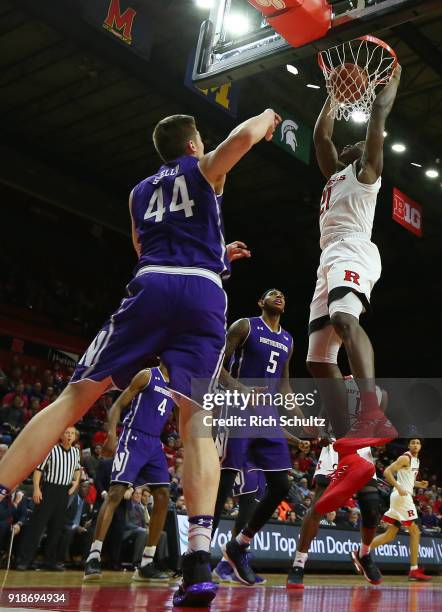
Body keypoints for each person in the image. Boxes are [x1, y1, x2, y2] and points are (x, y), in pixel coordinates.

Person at [0, 109, 281, 607]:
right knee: (197, 421)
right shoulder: (204, 169)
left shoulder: (138, 193)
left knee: (71, 399)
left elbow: (143, 247)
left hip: (152, 286)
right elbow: (242, 138)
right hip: (202, 296)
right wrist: (267, 116)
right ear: (193, 146)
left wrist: (216, 253)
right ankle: (198, 558)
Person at [306, 65, 403, 515]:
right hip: (328, 258)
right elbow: (321, 139)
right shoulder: (333, 175)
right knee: (317, 358)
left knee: (346, 320)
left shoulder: (367, 172)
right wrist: (333, 95)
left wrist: (390, 83)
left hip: (353, 250)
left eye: (360, 144)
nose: (353, 145)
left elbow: (379, 116)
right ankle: (350, 455)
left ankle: (370, 410)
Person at [214, 288, 299, 585]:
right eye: (272, 294)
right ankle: (198, 558)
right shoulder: (245, 325)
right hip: (238, 407)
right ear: (260, 302)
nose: (280, 296)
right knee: (224, 482)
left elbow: (285, 387)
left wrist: (302, 422)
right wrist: (241, 389)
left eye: (283, 295)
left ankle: (238, 546)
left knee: (280, 485)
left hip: (267, 415)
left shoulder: (288, 339)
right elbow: (217, 364)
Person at [287, 378, 386, 588]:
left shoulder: (380, 392)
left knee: (371, 506)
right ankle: (298, 564)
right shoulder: (340, 382)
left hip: (361, 449)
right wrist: (322, 435)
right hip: (336, 447)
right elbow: (324, 418)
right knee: (318, 506)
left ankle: (364, 554)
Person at [84, 364, 173, 582]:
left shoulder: (177, 385)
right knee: (116, 493)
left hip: (154, 444)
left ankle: (146, 562)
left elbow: (179, 418)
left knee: (163, 496)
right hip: (133, 437)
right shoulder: (146, 374)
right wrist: (112, 435)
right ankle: (94, 556)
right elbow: (117, 405)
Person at [16, 427, 81, 571]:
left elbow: (77, 469)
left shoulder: (76, 452)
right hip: (48, 489)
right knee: (37, 526)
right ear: (61, 435)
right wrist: (37, 488)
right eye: (67, 433)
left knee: (56, 529)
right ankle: (25, 560)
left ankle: (49, 562)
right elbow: (38, 469)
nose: (69, 436)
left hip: (64, 493)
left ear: (75, 436)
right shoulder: (52, 449)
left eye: (72, 433)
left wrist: (76, 482)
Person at [369, 439, 432, 581]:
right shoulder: (405, 457)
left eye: (418, 443)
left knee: (390, 535)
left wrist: (419, 484)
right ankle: (414, 570)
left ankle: (360, 551)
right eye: (413, 442)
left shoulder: (416, 461)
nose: (415, 445)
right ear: (409, 446)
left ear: (420, 447)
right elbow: (387, 472)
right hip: (402, 496)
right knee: (415, 531)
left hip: (401, 496)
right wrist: (397, 486)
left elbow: (408, 480)